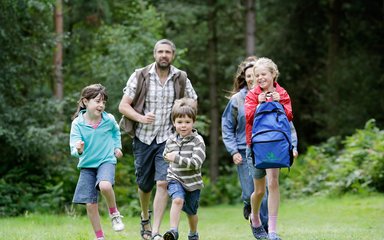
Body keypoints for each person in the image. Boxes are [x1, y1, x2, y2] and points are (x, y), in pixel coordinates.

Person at [118, 39, 198, 240]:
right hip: (143, 138)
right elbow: (123, 106)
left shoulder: (181, 77)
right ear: (155, 54)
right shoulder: (140, 75)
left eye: (168, 52)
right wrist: (141, 118)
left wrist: (182, 115)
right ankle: (145, 216)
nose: (164, 55)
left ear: (173, 55)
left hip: (168, 138)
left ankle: (155, 232)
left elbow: (193, 101)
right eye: (160, 52)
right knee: (144, 185)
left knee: (163, 183)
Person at [245, 57, 294, 240]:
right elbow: (248, 117)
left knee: (273, 183)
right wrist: (259, 103)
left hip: (275, 144)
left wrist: (279, 101)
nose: (260, 78)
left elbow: (289, 116)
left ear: (273, 74)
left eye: (263, 74)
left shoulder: (282, 92)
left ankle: (272, 231)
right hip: (256, 146)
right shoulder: (251, 95)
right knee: (259, 191)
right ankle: (255, 217)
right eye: (257, 75)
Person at [70, 84, 125, 240]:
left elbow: (116, 133)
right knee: (90, 203)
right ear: (85, 102)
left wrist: (117, 147)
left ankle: (114, 213)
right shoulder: (77, 124)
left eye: (103, 102)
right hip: (87, 165)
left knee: (105, 185)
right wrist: (79, 150)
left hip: (106, 160)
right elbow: (73, 148)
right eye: (97, 101)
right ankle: (99, 236)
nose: (101, 105)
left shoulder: (108, 119)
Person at [221, 56, 269, 232]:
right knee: (251, 190)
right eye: (248, 76)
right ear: (245, 78)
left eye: (254, 75)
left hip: (265, 148)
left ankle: (263, 227)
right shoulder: (237, 100)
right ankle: (247, 203)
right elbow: (227, 127)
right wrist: (233, 151)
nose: (251, 79)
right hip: (243, 149)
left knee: (265, 191)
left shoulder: (269, 96)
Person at [162, 98, 206, 240]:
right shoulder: (171, 140)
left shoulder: (198, 140)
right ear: (174, 123)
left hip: (193, 183)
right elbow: (165, 155)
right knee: (177, 200)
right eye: (179, 122)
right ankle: (173, 231)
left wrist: (176, 158)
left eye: (187, 122)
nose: (183, 126)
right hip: (175, 178)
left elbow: (196, 163)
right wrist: (169, 157)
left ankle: (193, 233)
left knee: (191, 212)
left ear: (193, 122)